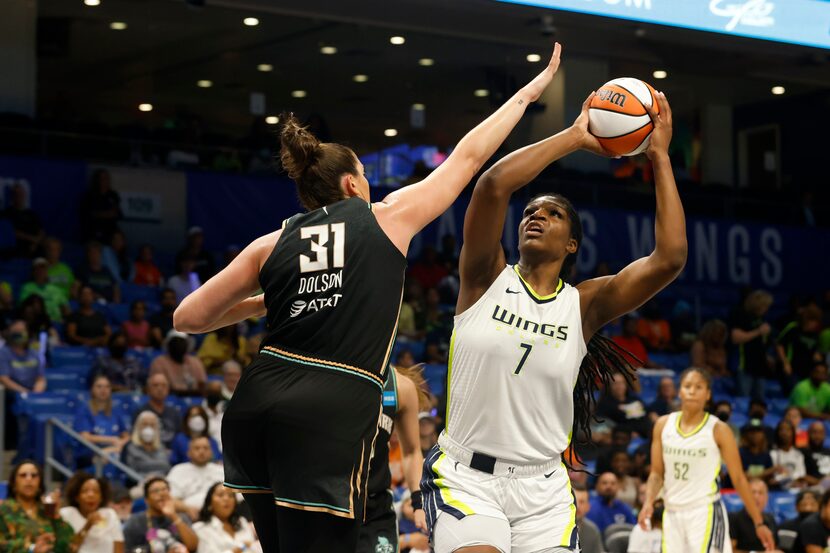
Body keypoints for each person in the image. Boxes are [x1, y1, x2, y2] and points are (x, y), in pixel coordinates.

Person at [173, 43, 564, 553]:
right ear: (353, 182)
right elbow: (469, 157)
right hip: (331, 402)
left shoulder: (270, 243)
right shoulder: (386, 216)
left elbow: (188, 317)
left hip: (255, 403)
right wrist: (531, 91)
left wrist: (262, 301)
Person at [421, 89, 685, 553]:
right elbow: (492, 186)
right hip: (467, 478)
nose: (537, 215)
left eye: (553, 213)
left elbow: (669, 259)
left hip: (542, 490)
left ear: (572, 246)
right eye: (530, 212)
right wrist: (574, 137)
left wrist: (659, 156)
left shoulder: (584, 306)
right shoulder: (484, 278)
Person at [639, 368, 775, 553]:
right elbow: (656, 473)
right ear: (679, 391)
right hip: (671, 512)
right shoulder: (663, 425)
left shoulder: (719, 430)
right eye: (687, 386)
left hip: (704, 513)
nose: (692, 391)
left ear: (708, 394)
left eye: (699, 387)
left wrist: (758, 523)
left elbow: (738, 478)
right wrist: (648, 502)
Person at [357, 366, 429, 553]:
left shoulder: (399, 386)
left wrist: (418, 503)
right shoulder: (330, 372)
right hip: (333, 502)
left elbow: (412, 452)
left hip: (375, 506)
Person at [0, 460, 74, 552]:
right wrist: (31, 549)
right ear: (14, 483)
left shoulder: (47, 509)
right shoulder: (4, 509)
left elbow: (68, 545)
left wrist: (56, 516)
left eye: (34, 475)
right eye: (23, 475)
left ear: (40, 483)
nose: (29, 479)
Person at [122, 476, 198, 553]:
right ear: (146, 499)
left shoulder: (181, 517)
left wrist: (173, 516)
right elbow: (127, 550)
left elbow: (193, 547)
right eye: (155, 491)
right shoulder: (135, 522)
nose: (161, 494)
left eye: (165, 489)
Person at [59, 471, 124, 553]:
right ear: (76, 497)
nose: (91, 495)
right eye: (85, 491)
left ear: (101, 497)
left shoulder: (110, 514)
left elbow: (119, 548)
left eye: (96, 491)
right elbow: (68, 550)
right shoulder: (67, 514)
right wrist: (87, 526)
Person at [73, 374, 130, 466]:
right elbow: (85, 437)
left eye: (107, 387)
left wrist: (120, 444)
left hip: (114, 451)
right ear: (92, 389)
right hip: (90, 453)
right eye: (99, 386)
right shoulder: (84, 410)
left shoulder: (115, 411)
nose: (103, 390)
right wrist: (112, 440)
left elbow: (126, 435)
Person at [730, 289, 774, 400]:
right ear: (757, 304)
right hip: (744, 366)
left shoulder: (762, 318)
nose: (766, 309)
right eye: (764, 306)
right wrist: (759, 331)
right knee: (743, 400)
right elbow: (736, 338)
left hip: (760, 368)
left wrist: (767, 356)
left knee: (760, 403)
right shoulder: (740, 315)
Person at [168, 436, 225, 520]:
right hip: (190, 516)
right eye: (197, 448)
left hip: (222, 514)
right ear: (188, 452)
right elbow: (170, 499)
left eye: (205, 448)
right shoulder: (178, 470)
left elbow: (235, 496)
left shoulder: (221, 470)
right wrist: (187, 509)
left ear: (211, 452)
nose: (201, 451)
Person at [192, 483, 260, 553]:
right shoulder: (200, 528)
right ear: (209, 504)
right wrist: (235, 551)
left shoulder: (241, 521)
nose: (226, 499)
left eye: (231, 495)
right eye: (220, 495)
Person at [728, 478, 781, 553]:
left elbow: (775, 547)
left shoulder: (770, 518)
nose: (756, 496)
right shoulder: (734, 518)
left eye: (760, 493)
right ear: (746, 497)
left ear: (766, 497)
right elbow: (729, 550)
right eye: (753, 492)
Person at [150, 330, 207, 396]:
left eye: (182, 341)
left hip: (194, 398)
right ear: (169, 345)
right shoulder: (159, 362)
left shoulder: (195, 361)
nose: (179, 345)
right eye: (175, 341)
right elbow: (160, 387)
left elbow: (202, 385)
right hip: (169, 399)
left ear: (187, 345)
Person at [133, 372, 183, 448]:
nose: (160, 389)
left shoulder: (174, 413)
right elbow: (136, 438)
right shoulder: (141, 413)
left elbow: (180, 437)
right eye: (155, 385)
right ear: (148, 390)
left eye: (164, 385)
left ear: (168, 389)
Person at [777, 305, 823, 384]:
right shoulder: (793, 328)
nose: (815, 324)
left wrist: (817, 355)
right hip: (792, 369)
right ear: (806, 319)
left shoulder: (815, 333)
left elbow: (814, 350)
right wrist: (785, 363)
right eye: (813, 321)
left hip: (808, 370)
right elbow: (779, 345)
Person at [121, 411, 171, 481]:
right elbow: (128, 472)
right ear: (137, 426)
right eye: (145, 424)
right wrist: (147, 479)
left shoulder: (161, 446)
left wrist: (157, 478)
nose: (148, 428)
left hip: (162, 482)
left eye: (152, 425)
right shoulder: (129, 447)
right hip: (138, 484)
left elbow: (167, 467)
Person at [0, 320, 46, 393]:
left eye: (22, 331)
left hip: (33, 394)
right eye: (16, 331)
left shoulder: (34, 353)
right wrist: (25, 393)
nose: (19, 334)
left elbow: (40, 379)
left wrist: (36, 394)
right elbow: (4, 379)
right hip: (13, 395)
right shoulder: (3, 353)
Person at [20, 257, 71, 324]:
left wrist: (67, 321)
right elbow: (23, 308)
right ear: (33, 271)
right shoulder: (27, 288)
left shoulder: (55, 289)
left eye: (44, 269)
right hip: (36, 323)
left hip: (56, 323)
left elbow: (66, 309)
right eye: (38, 269)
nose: (41, 271)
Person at [2, 183, 45, 257]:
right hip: (16, 247)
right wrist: (32, 239)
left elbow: (41, 231)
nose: (19, 196)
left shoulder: (32, 214)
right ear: (12, 196)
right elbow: (10, 232)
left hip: (34, 246)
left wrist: (35, 243)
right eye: (16, 194)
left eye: (21, 194)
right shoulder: (6, 213)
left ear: (25, 195)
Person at [80, 169, 121, 242]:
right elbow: (88, 213)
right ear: (97, 180)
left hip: (110, 231)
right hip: (93, 231)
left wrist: (102, 214)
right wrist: (106, 214)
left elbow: (117, 213)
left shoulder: (113, 195)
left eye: (106, 178)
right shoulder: (89, 195)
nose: (104, 181)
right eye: (102, 178)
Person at [770, 420, 808, 489]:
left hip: (796, 487)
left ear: (793, 433)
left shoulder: (799, 454)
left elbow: (801, 475)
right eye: (782, 429)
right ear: (777, 433)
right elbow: (773, 478)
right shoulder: (772, 454)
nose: (784, 433)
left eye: (788, 430)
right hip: (779, 488)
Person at [43, 237, 78, 302]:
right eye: (50, 249)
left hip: (66, 302)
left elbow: (73, 285)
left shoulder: (66, 269)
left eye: (56, 250)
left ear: (59, 252)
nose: (52, 253)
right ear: (46, 251)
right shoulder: (41, 268)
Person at [572, 483, 602, 553]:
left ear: (588, 507)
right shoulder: (554, 527)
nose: (578, 506)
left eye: (582, 502)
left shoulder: (592, 530)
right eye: (574, 501)